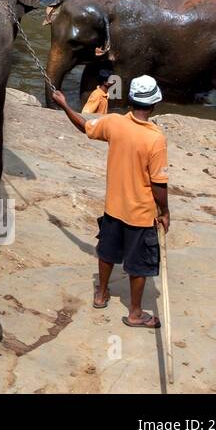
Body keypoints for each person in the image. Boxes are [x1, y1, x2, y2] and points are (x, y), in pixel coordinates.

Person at [51, 75, 170, 329]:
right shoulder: (156, 139)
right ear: (153, 104)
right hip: (141, 213)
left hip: (113, 207)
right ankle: (135, 313)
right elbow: (159, 183)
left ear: (130, 100)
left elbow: (84, 126)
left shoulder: (115, 123)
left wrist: (64, 104)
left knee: (107, 252)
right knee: (138, 266)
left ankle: (101, 294)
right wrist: (165, 211)